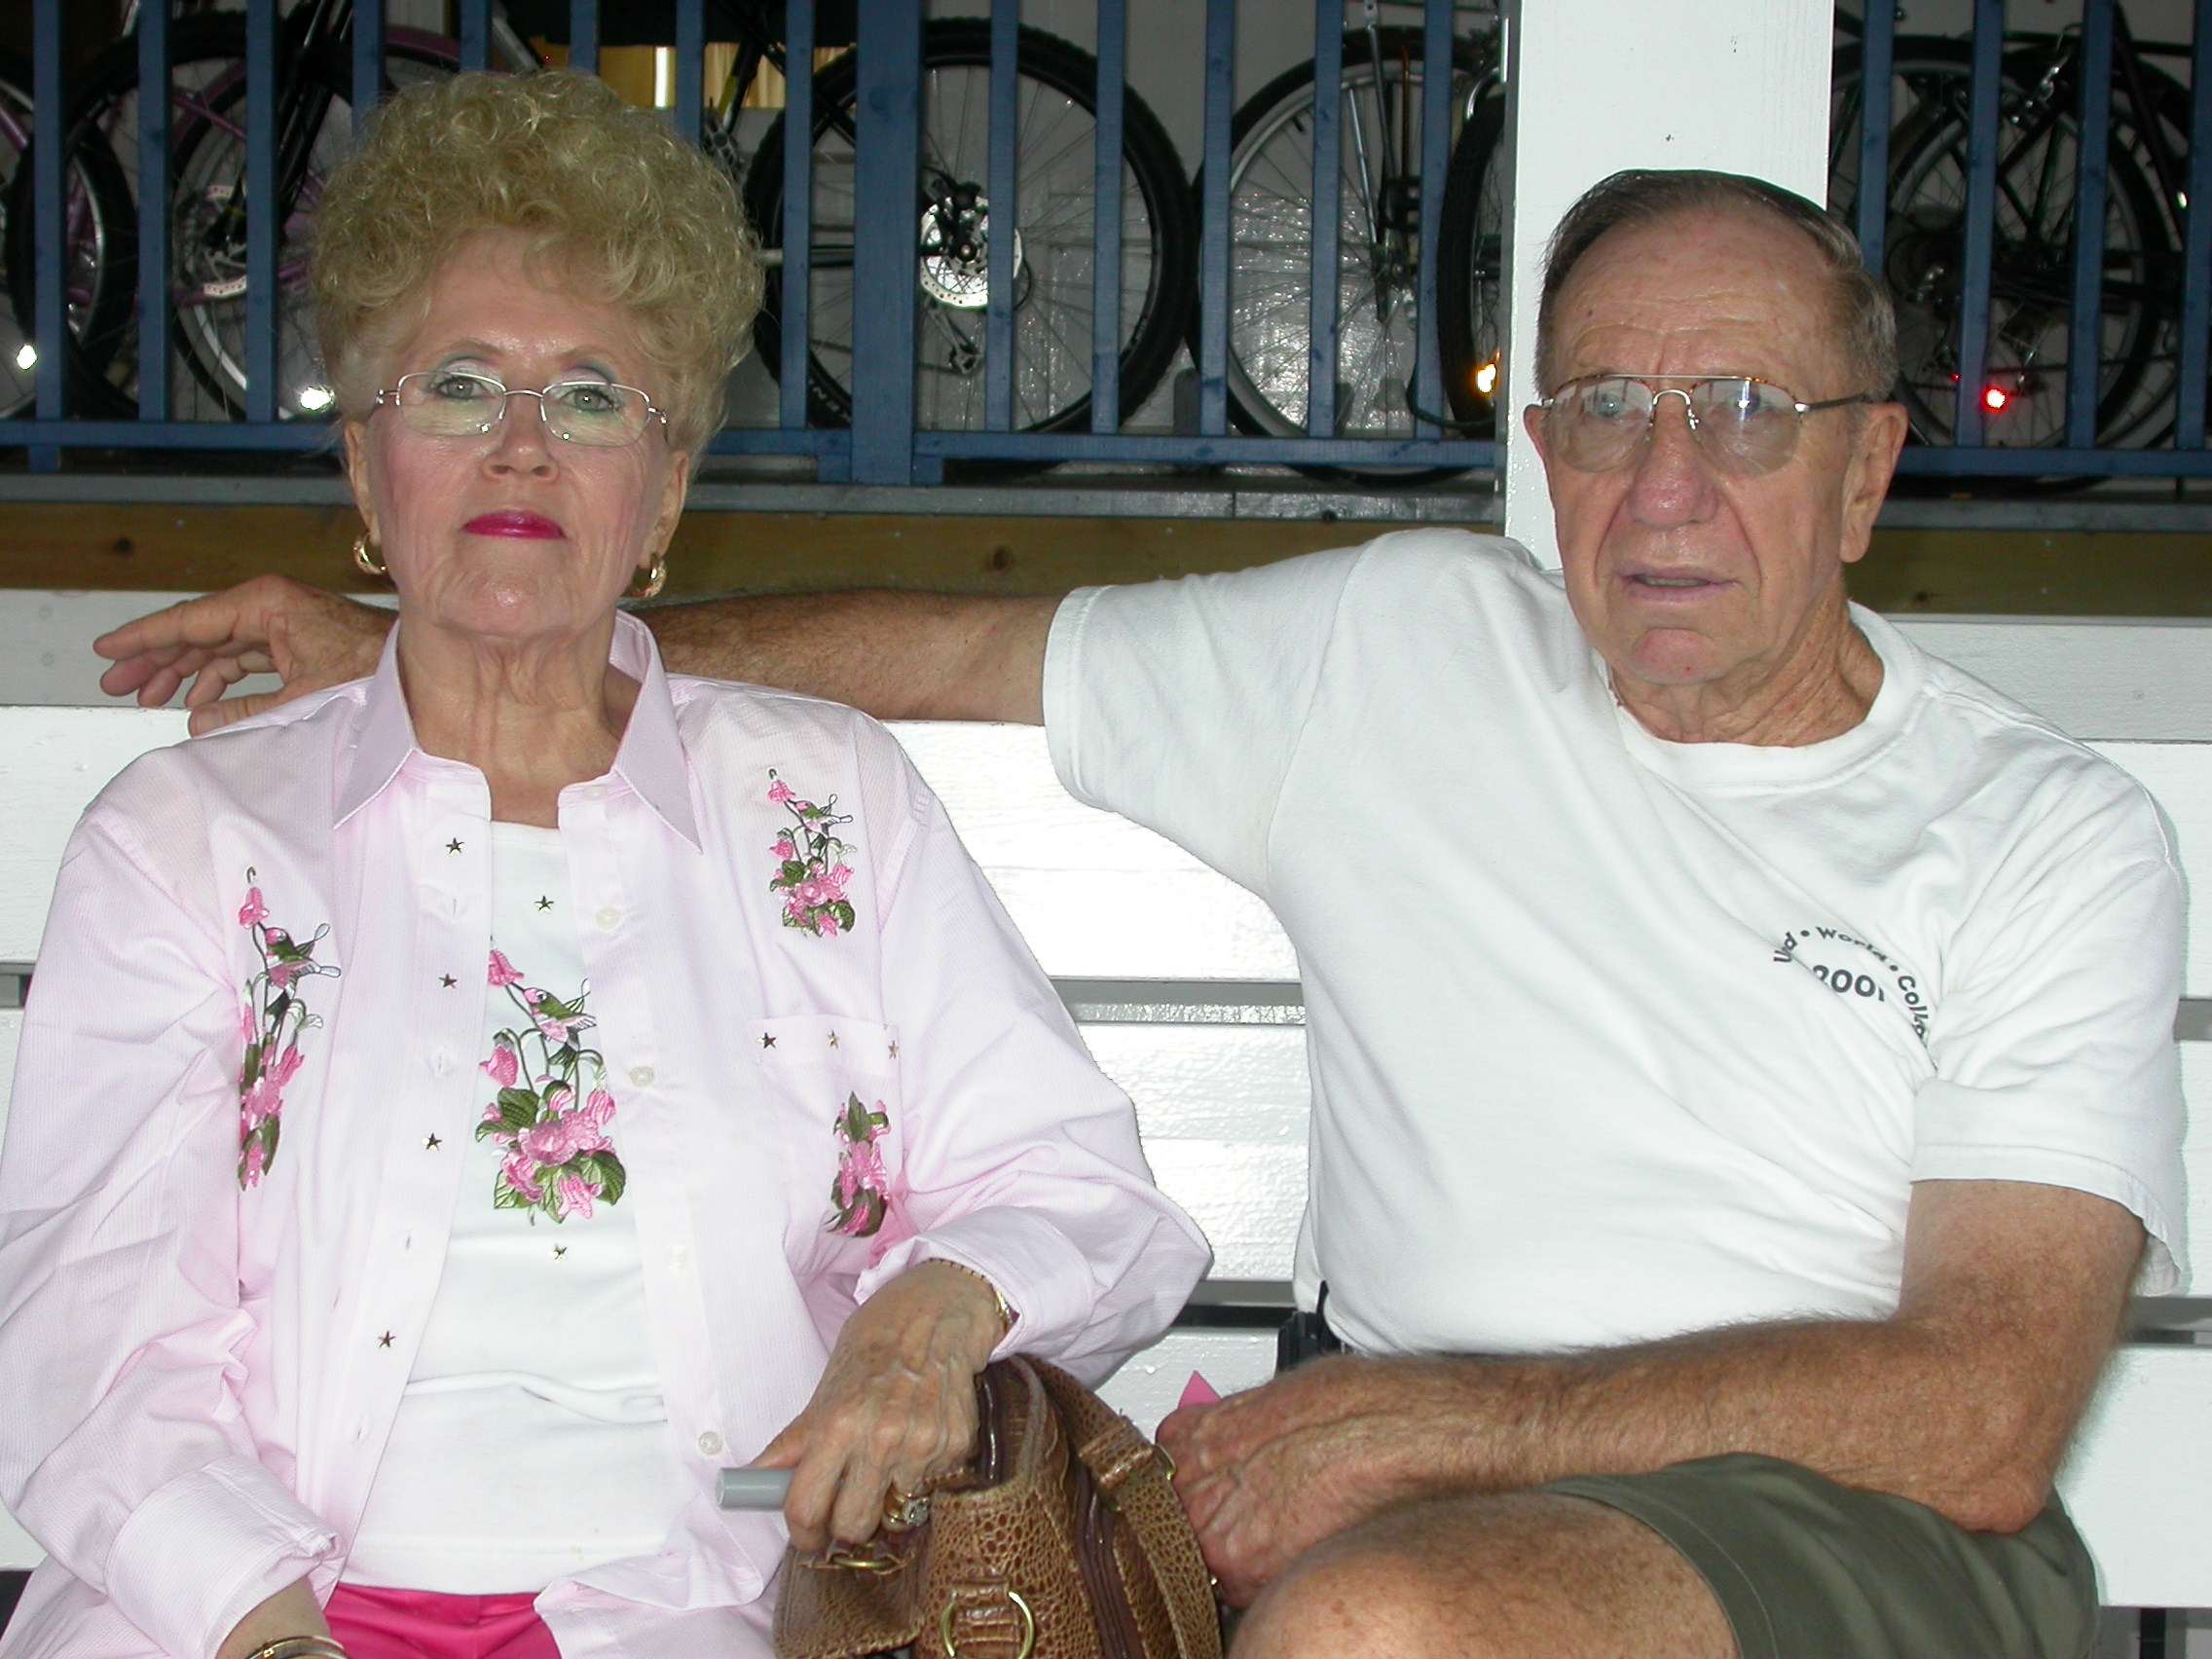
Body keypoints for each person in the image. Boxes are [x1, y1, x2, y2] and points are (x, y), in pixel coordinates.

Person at [94, 169, 2182, 1659]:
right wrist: (480, 636)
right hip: (1391, 1480)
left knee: (1375, 1631)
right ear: (1539, 447)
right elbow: (944, 650)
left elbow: (1980, 1418)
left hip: (1838, 1526)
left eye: (1744, 416)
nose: (1664, 484)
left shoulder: (2031, 832)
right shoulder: (1398, 648)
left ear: (1868, 470)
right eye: (1605, 409)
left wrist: (1453, 1427)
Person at [0, 70, 1207, 1659]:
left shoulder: (825, 806)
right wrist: (269, 1629)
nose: (520, 448)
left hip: (692, 1608)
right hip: (234, 1610)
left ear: (667, 492)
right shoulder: (190, 843)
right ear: (365, 469)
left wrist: (937, 1308)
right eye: (457, 387)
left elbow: (1079, 1189)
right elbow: (92, 1330)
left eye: (588, 398)